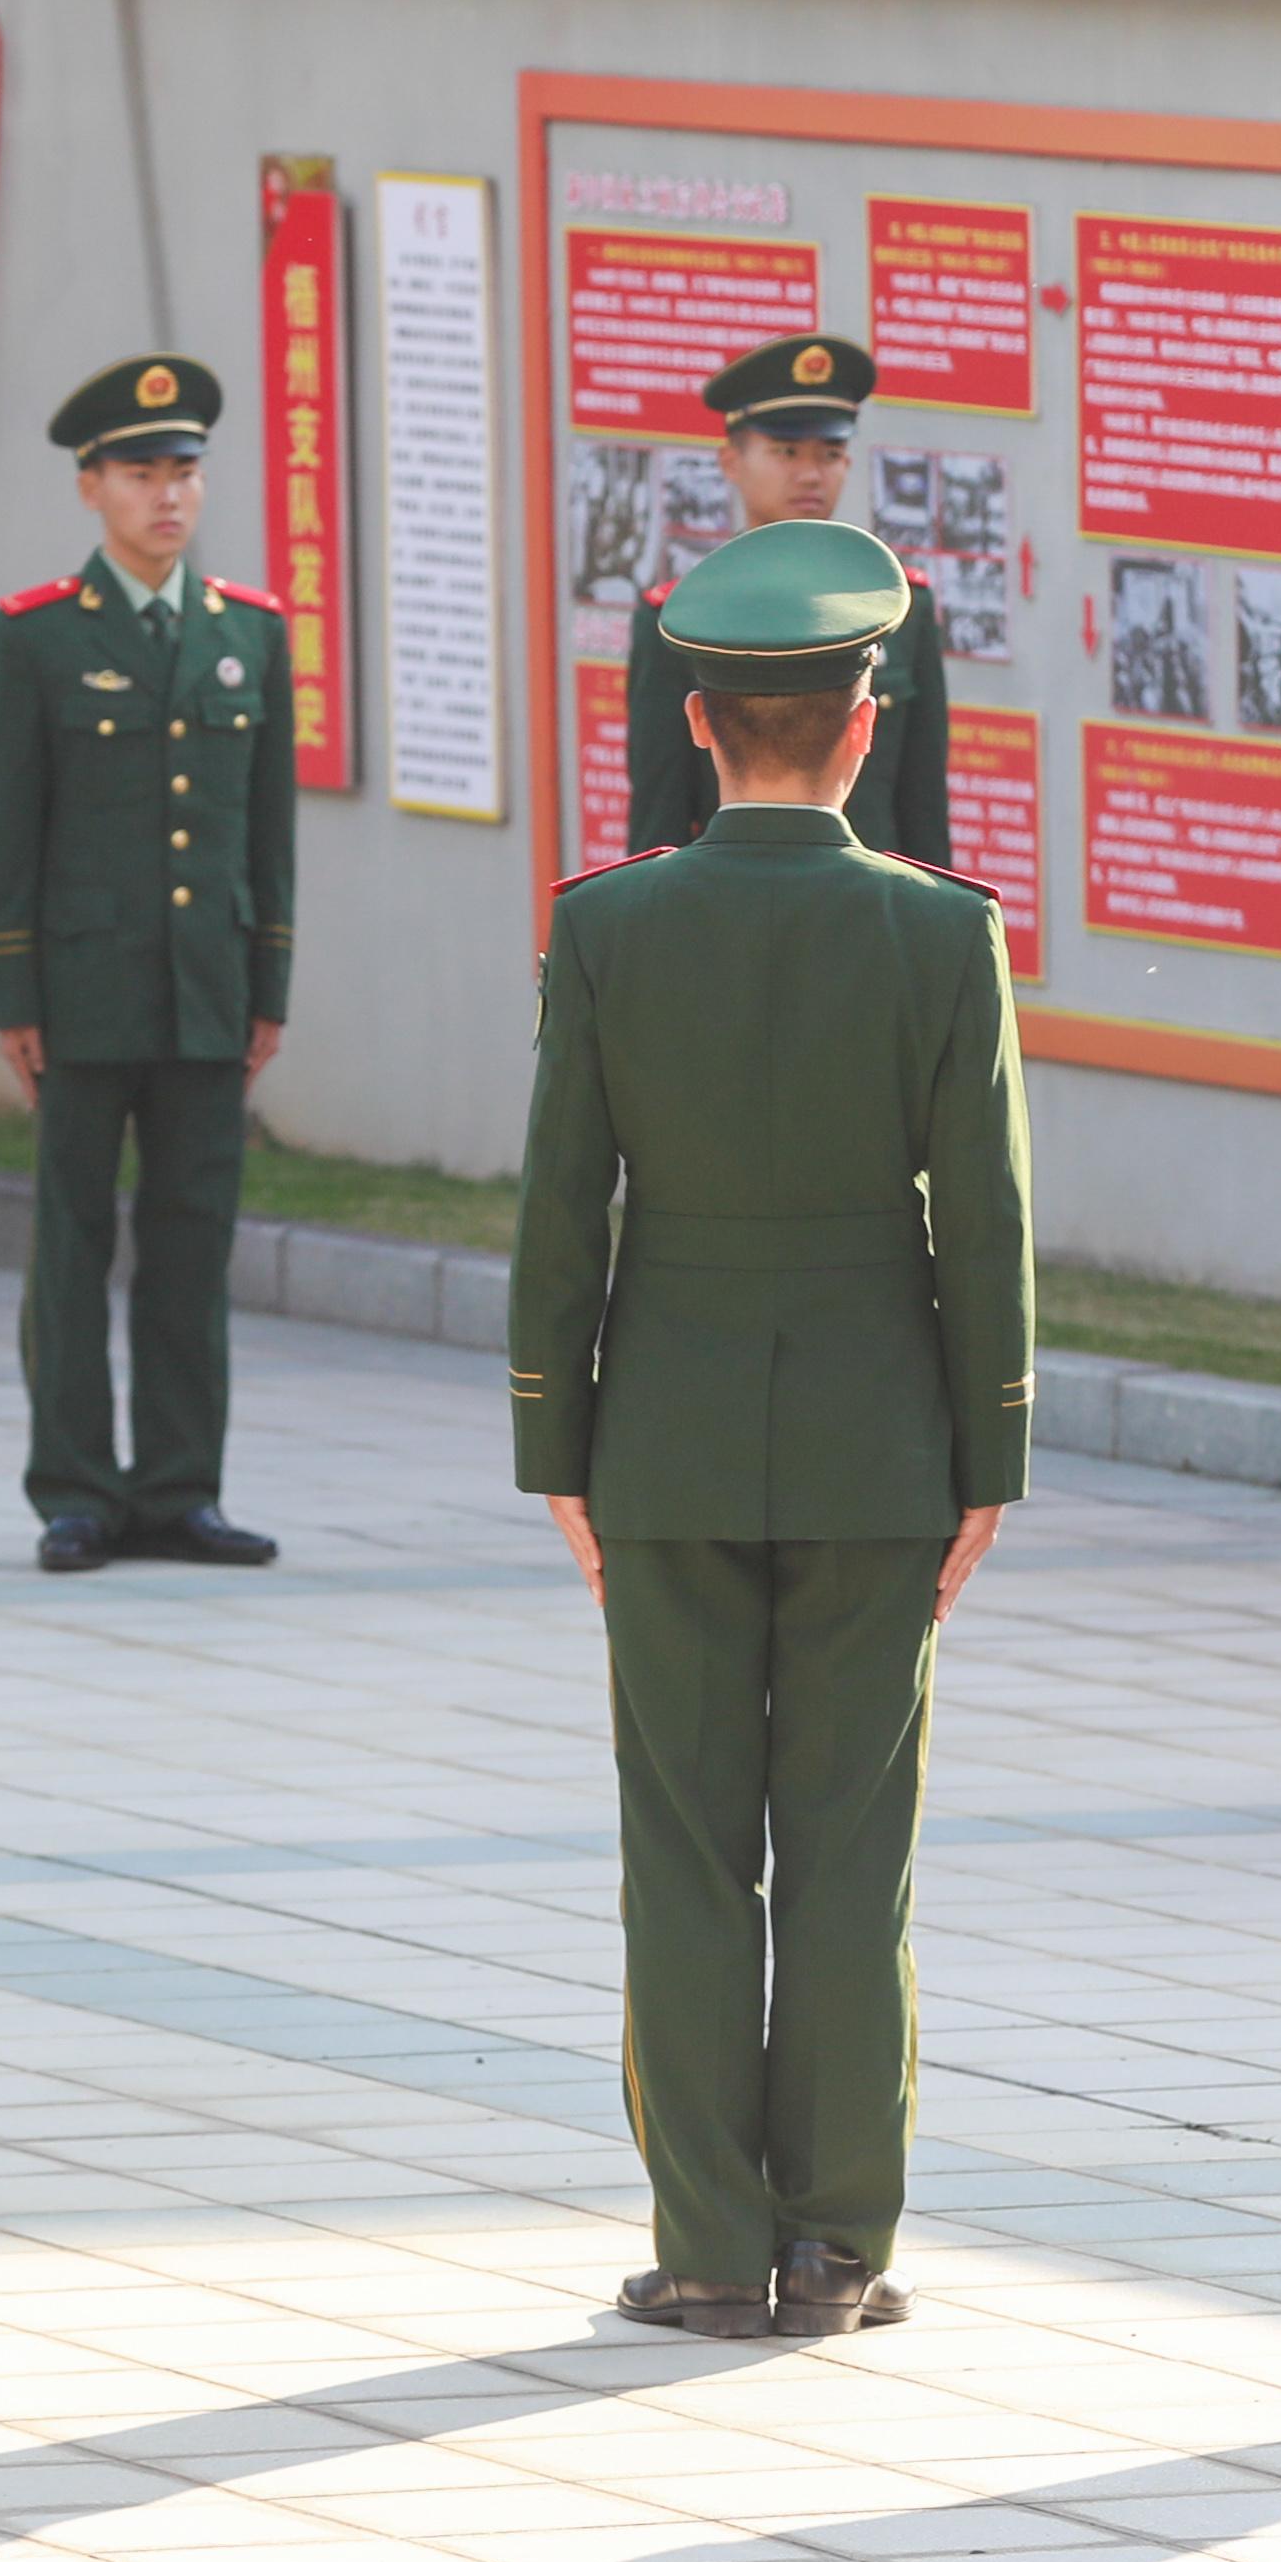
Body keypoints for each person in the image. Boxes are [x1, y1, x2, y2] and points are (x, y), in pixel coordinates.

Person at [509, 518, 1032, 2342]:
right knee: (847, 1850)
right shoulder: (941, 928)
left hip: (659, 1438)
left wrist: (555, 1447)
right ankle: (838, 2242)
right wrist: (987, 1459)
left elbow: (559, 1209)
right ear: (866, 721)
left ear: (694, 720)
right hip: (878, 1444)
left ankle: (710, 2245)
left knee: (681, 1847)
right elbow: (984, 1219)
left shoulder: (606, 922)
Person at [0, 354, 295, 1576]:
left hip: (207, 989)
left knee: (190, 1244)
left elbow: (268, 832)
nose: (167, 496)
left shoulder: (249, 632)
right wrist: (13, 991)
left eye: (183, 474)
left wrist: (268, 985)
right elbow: (9, 829)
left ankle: (178, 1488)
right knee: (70, 1245)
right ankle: (74, 1490)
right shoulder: (37, 636)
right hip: (81, 990)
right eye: (140, 474)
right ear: (90, 486)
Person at [618, 336, 954, 869]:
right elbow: (656, 827)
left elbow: (924, 810)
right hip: (733, 902)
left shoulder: (899, 610)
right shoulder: (679, 621)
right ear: (731, 461)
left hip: (871, 904)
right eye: (786, 452)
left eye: (830, 454)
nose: (811, 474)